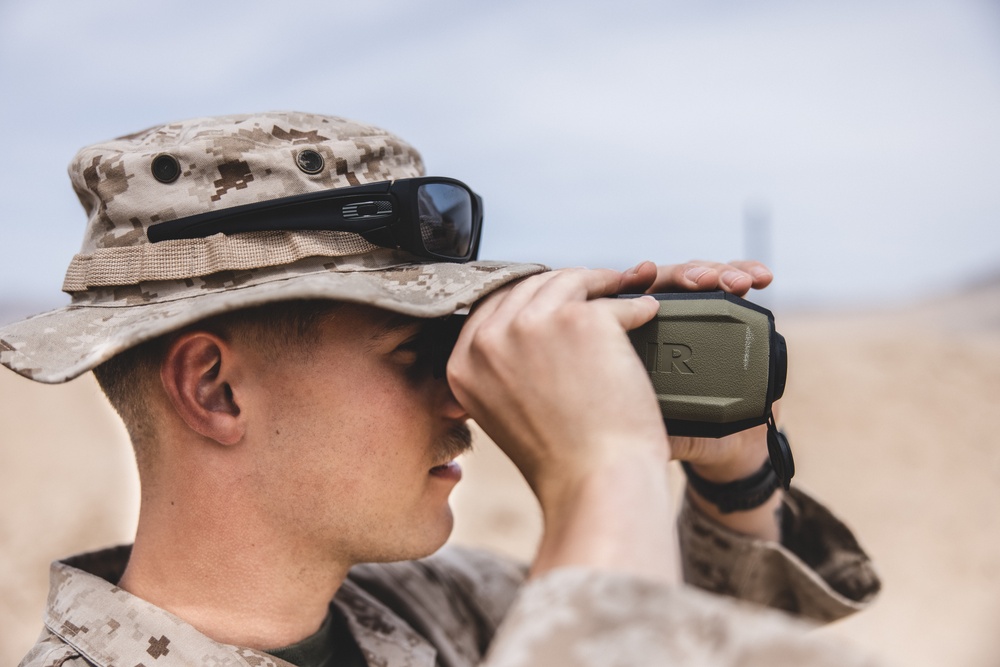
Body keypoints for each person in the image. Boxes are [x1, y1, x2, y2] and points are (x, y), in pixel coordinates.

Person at [1, 111, 880, 667]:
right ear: (216, 389)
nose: (459, 399)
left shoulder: (429, 603)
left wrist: (734, 481)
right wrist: (596, 472)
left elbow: (688, 635)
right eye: (411, 353)